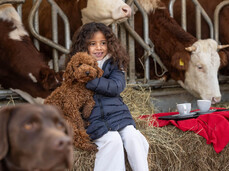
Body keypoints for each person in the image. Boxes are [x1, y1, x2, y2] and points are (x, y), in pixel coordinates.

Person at [70, 22, 149, 171]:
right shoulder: (76, 67)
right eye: (93, 43)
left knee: (134, 138)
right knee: (112, 141)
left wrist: (90, 80)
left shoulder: (114, 64)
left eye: (103, 43)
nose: (99, 47)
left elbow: (116, 87)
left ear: (110, 44)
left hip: (118, 115)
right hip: (93, 120)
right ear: (84, 46)